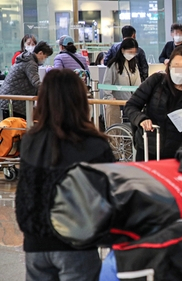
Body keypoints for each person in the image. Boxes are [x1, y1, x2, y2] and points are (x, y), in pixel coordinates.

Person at [15, 69, 115, 281]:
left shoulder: (31, 141)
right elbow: (108, 197)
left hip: (35, 243)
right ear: (80, 101)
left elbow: (26, 192)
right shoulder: (95, 145)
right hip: (77, 243)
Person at [124, 45, 182, 161]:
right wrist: (142, 119)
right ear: (169, 66)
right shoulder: (156, 81)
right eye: (176, 66)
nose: (180, 71)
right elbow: (131, 106)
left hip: (175, 155)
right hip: (147, 149)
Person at [0, 41, 53, 119]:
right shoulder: (30, 63)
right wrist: (52, 89)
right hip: (14, 102)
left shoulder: (26, 59)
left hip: (8, 99)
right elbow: (36, 83)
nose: (45, 59)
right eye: (45, 56)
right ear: (40, 53)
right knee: (16, 128)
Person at [103, 38, 142, 128]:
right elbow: (107, 84)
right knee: (116, 130)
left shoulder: (134, 65)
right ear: (122, 50)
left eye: (134, 52)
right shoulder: (113, 65)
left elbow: (138, 84)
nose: (132, 55)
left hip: (130, 104)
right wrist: (110, 97)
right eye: (130, 52)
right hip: (116, 104)